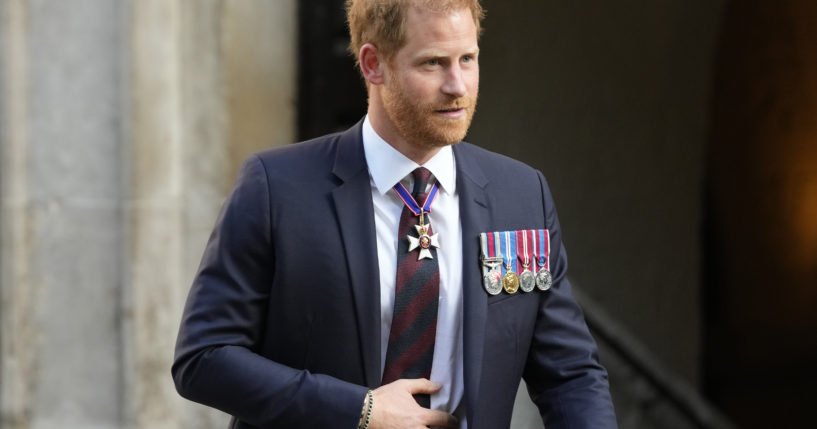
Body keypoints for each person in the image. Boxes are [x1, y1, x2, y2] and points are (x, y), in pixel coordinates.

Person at [172, 0, 617, 428]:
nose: (457, 85)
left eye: (468, 58)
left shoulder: (522, 195)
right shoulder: (277, 188)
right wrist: (359, 411)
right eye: (433, 63)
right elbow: (204, 357)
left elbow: (570, 374)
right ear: (373, 65)